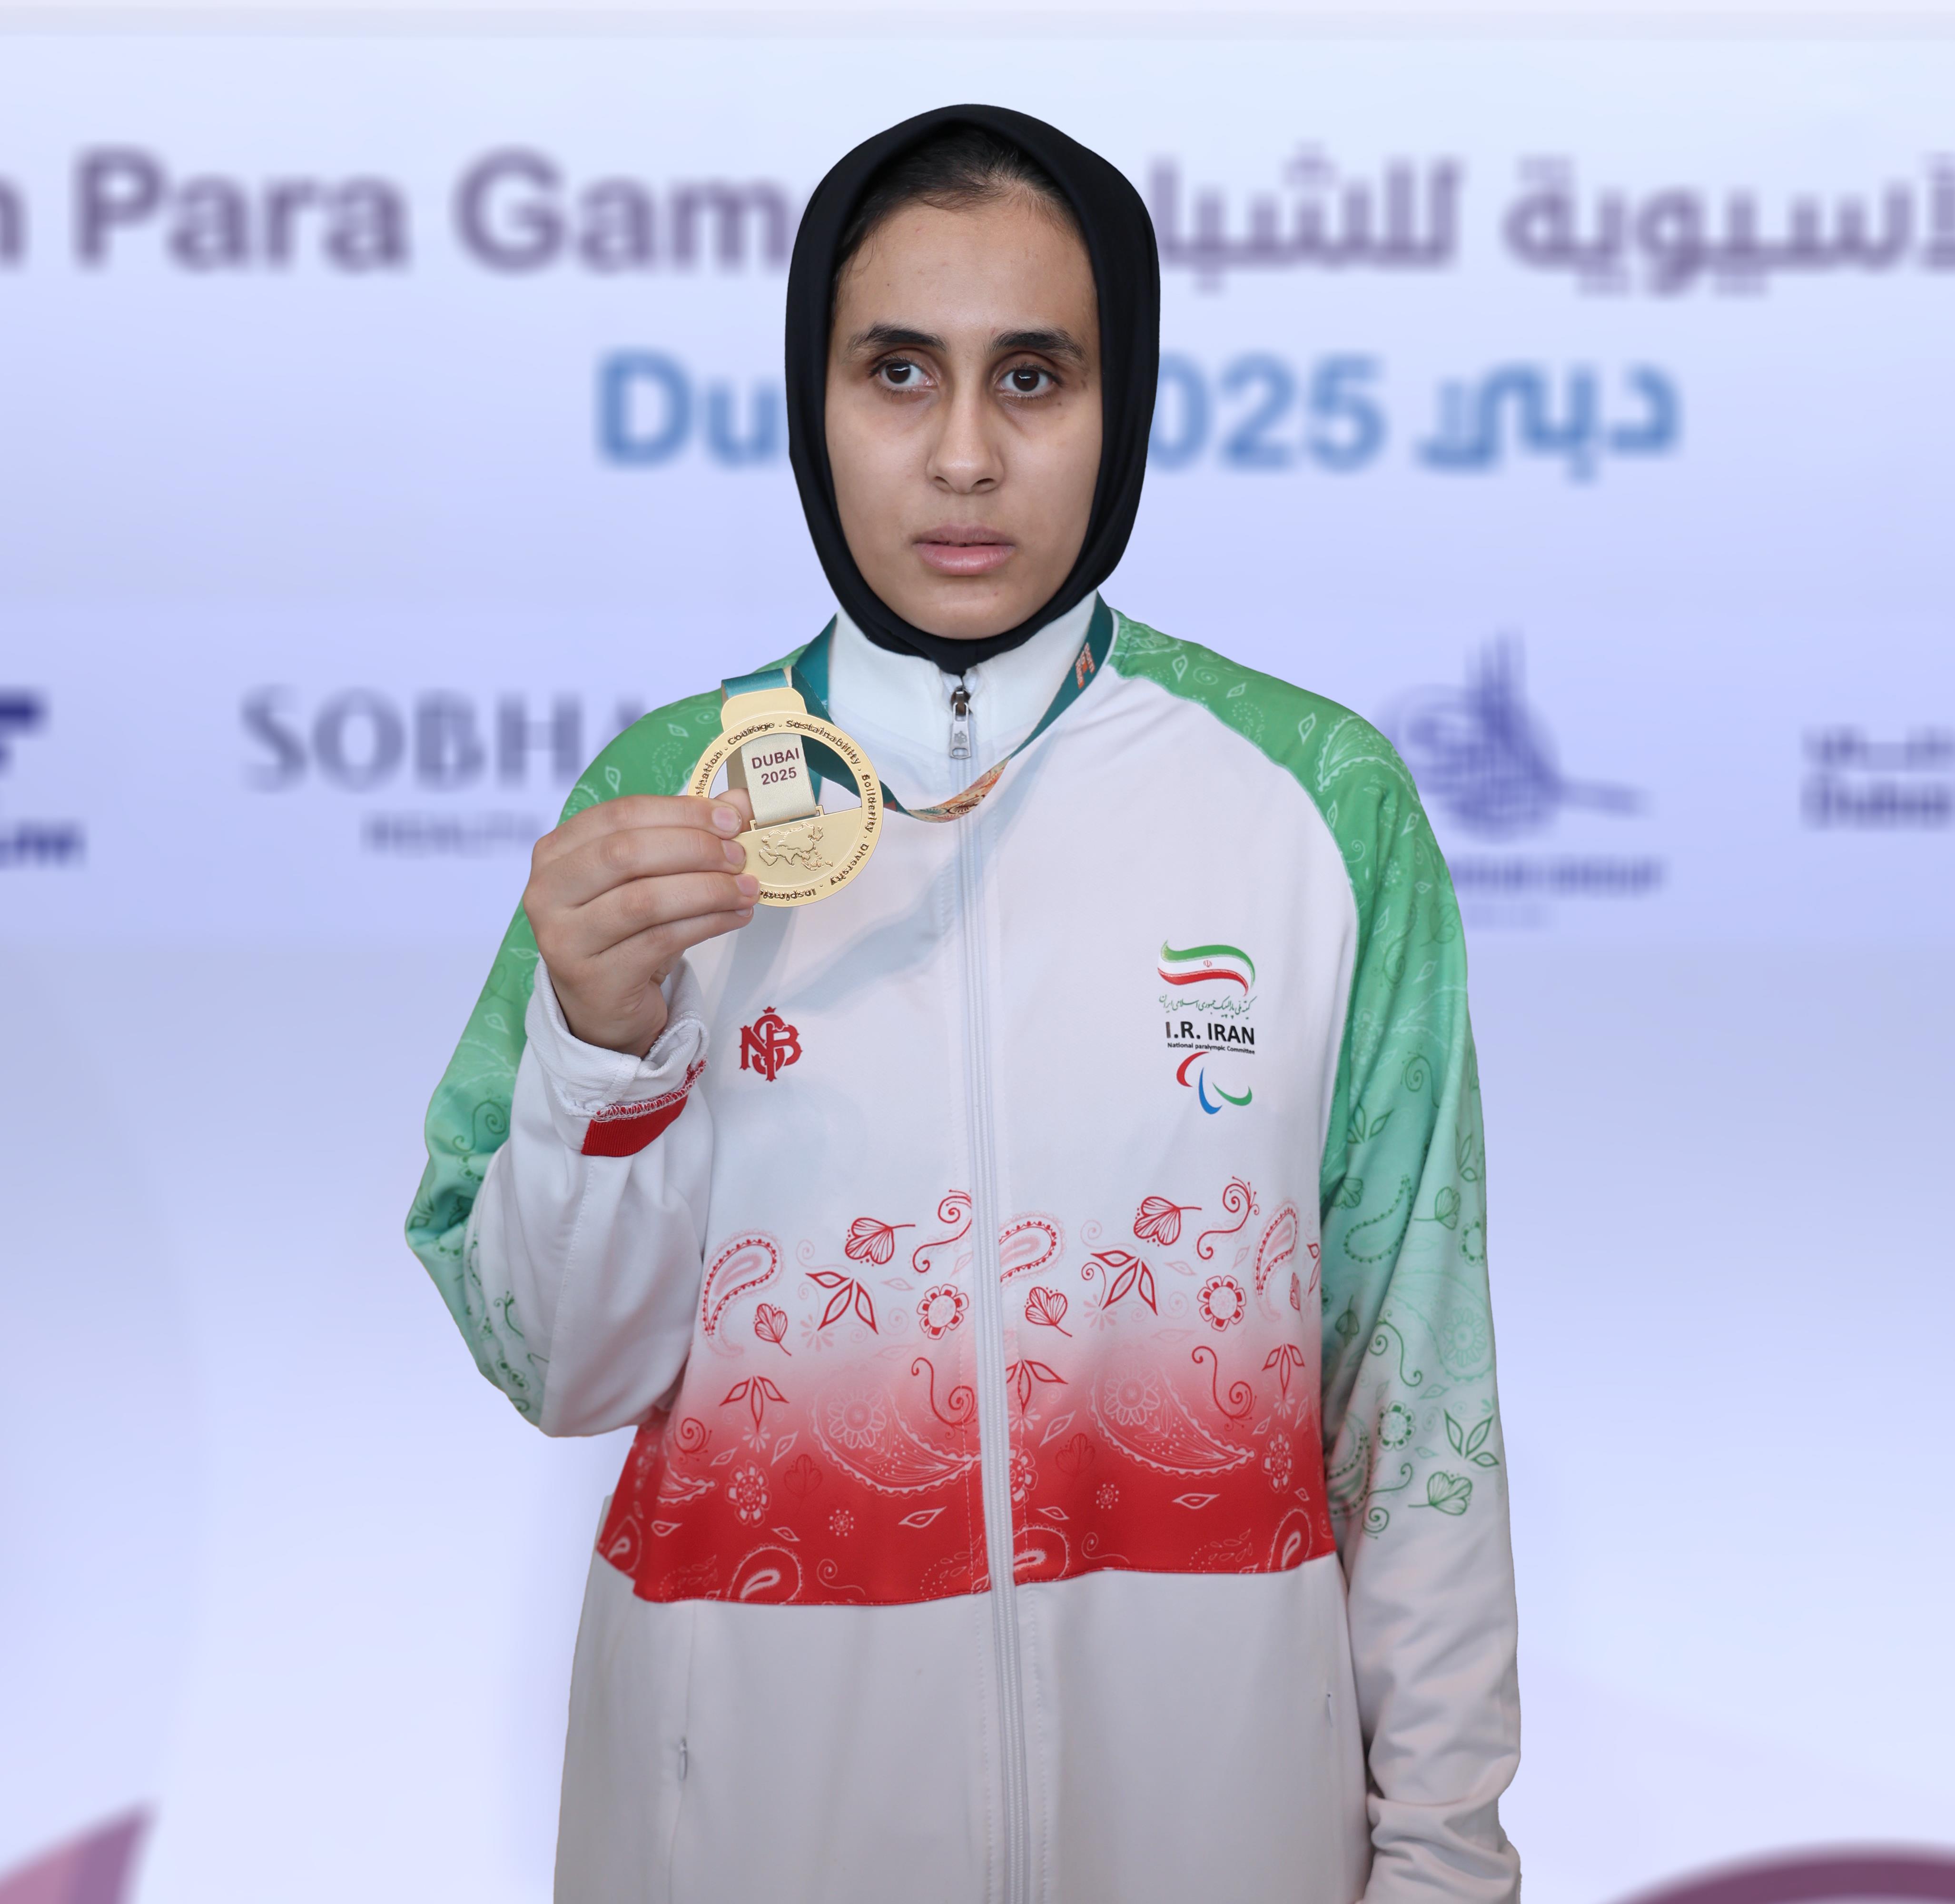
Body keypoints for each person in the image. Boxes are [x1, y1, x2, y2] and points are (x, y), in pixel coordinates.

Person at [403, 105, 1516, 1903]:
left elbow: (1416, 1384)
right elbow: (560, 1366)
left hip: (1213, 1826)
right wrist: (601, 1054)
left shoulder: (1318, 803)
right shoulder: (670, 802)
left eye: (1036, 378)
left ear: (1124, 407)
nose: (966, 456)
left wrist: (1448, 1862)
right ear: (813, 400)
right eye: (899, 372)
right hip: (748, 1834)